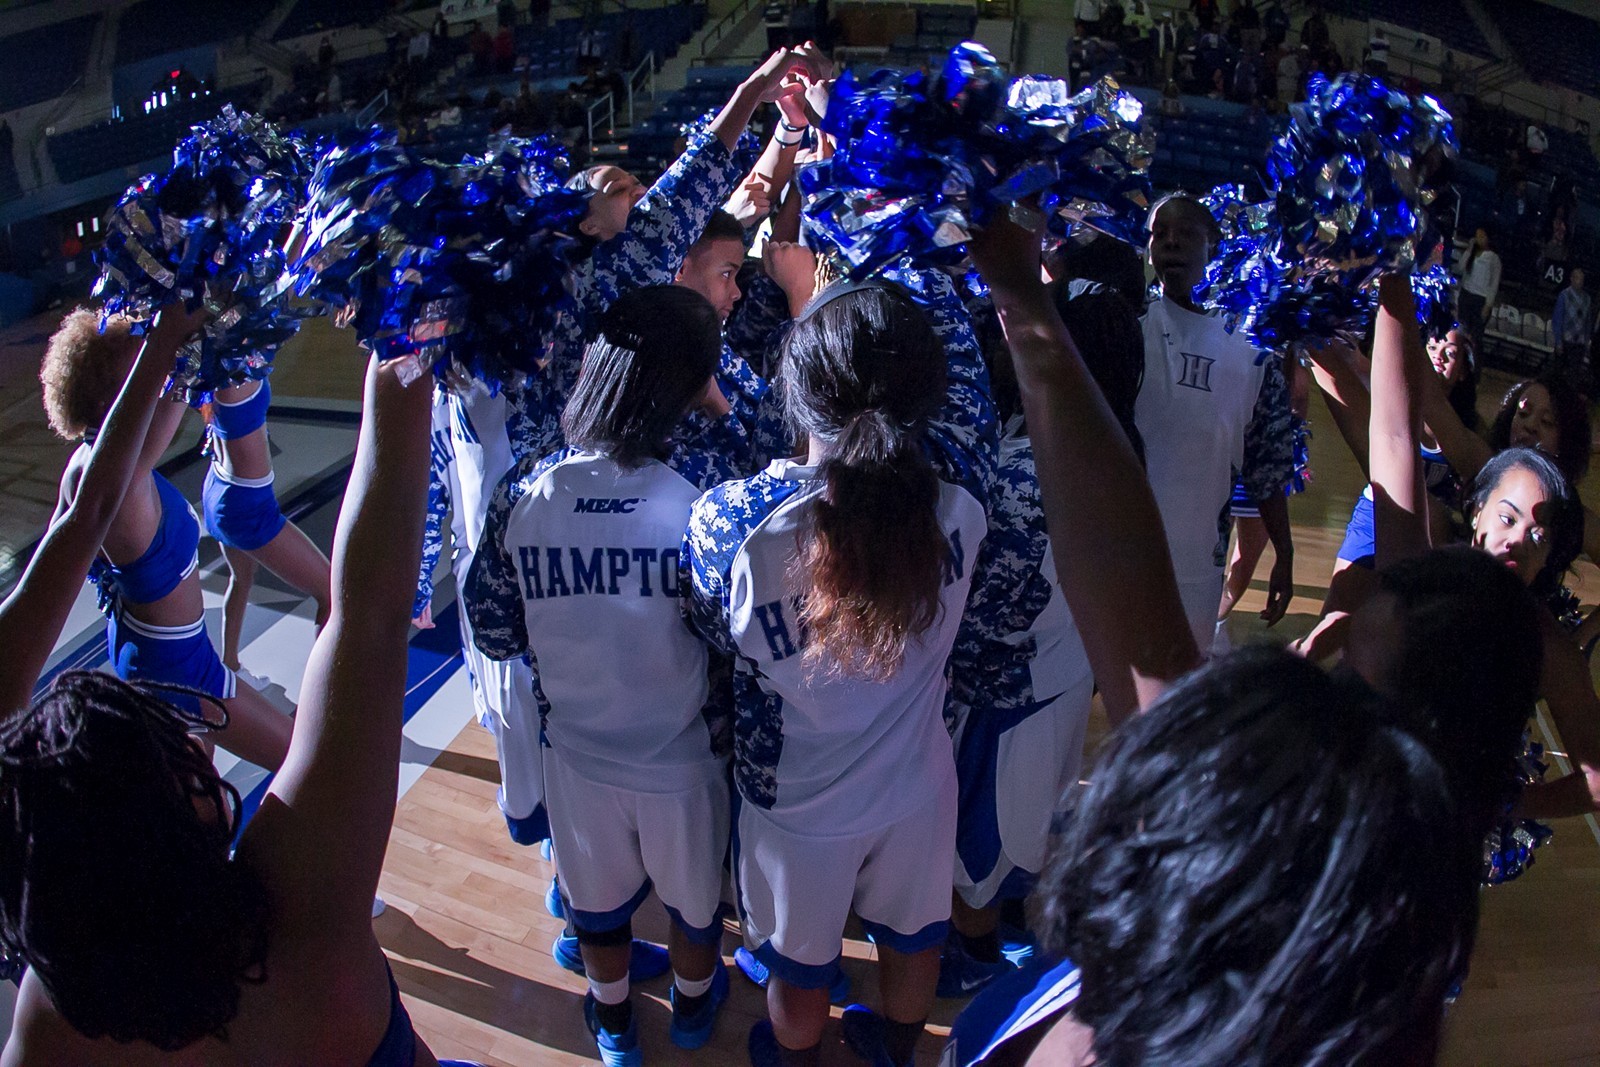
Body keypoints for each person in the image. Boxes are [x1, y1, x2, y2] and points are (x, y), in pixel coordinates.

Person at [2, 351, 487, 1067]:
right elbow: (372, 618)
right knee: (304, 745)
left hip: (183, 661)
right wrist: (406, 335)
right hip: (178, 670)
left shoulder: (48, 1023)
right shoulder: (305, 900)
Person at [684, 269, 996, 1067]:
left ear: (795, 388)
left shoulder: (731, 520)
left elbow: (713, 634)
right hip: (917, 779)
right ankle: (896, 1049)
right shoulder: (966, 494)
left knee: (799, 958)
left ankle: (798, 1057)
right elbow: (965, 373)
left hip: (795, 799)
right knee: (914, 930)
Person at [467, 287, 734, 1066]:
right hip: (680, 760)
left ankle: (612, 1020)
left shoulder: (526, 490)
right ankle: (690, 1009)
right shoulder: (697, 507)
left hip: (578, 755)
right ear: (683, 392)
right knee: (693, 909)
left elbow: (491, 627)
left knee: (597, 910)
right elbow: (725, 641)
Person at [38, 310, 291, 771]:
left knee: (195, 812)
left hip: (157, 651)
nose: (151, 382)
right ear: (114, 398)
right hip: (177, 670)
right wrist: (186, 342)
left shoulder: (90, 463)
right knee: (304, 765)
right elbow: (175, 394)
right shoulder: (119, 473)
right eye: (139, 375)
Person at [1136, 194, 1295, 652]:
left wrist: (1283, 553)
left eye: (1185, 234)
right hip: (1113, 552)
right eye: (1159, 234)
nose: (1170, 243)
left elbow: (1265, 471)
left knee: (1173, 697)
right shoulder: (1123, 323)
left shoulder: (1250, 356)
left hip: (1194, 566)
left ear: (1213, 245)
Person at [202, 377, 332, 672]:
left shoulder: (217, 361)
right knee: (331, 595)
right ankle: (322, 701)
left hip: (219, 487)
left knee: (241, 578)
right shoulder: (233, 364)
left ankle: (230, 662)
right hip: (245, 507)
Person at [1457, 227, 1501, 382]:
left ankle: (1474, 374)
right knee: (1462, 333)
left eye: (1482, 236)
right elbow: (1460, 268)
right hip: (1466, 295)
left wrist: (1488, 304)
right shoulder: (1472, 254)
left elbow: (1494, 283)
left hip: (1480, 300)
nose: (1478, 239)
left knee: (1476, 338)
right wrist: (1469, 249)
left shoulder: (1493, 258)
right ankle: (1460, 368)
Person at [1551, 266, 1592, 390]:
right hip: (1565, 340)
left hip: (1578, 342)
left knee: (1573, 376)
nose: (1580, 282)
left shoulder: (1587, 299)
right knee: (1558, 372)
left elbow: (1587, 322)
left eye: (1582, 279)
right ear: (1572, 279)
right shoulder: (1564, 295)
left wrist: (1586, 341)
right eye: (1578, 278)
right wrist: (1558, 341)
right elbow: (1557, 319)